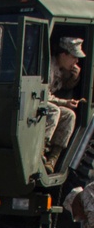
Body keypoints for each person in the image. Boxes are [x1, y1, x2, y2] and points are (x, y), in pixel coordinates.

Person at [45, 36, 85, 169]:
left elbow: (61, 86)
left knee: (69, 115)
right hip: (38, 104)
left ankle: (52, 159)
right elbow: (44, 96)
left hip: (46, 103)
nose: (76, 61)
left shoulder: (62, 69)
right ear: (63, 54)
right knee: (54, 111)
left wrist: (74, 78)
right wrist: (64, 102)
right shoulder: (48, 67)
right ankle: (40, 151)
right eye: (73, 57)